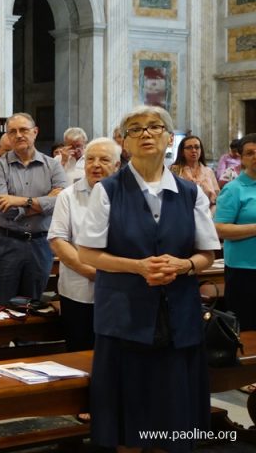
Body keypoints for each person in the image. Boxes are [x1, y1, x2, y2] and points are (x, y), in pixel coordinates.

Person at [78, 106, 219, 453]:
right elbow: (88, 254)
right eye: (135, 129)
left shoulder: (191, 193)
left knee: (173, 422)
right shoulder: (108, 190)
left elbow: (207, 254)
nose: (146, 133)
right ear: (124, 143)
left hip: (178, 320)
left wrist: (184, 265)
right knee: (128, 424)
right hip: (123, 318)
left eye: (155, 127)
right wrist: (138, 267)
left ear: (170, 139)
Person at [47, 138, 121, 352]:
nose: (95, 165)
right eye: (90, 159)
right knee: (80, 351)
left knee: (116, 353)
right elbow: (58, 241)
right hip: (79, 291)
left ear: (117, 165)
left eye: (104, 159)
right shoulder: (68, 196)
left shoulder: (128, 195)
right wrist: (94, 272)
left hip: (120, 290)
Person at [0, 113, 67, 305]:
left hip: (40, 244)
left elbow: (61, 202)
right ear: (7, 136)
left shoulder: (53, 166)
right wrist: (44, 202)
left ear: (35, 132)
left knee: (32, 307)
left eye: (24, 130)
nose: (19, 135)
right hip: (5, 243)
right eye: (12, 132)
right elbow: (4, 209)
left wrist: (21, 201)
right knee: (1, 305)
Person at [214, 133, 256, 332]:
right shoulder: (234, 189)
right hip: (244, 270)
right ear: (241, 158)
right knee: (247, 327)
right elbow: (220, 229)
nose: (255, 156)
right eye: (250, 153)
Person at [170, 135, 220, 211]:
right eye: (189, 147)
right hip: (182, 211)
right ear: (182, 152)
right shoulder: (175, 170)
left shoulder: (208, 171)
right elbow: (171, 195)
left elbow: (217, 196)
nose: (193, 150)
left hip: (208, 212)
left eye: (197, 147)